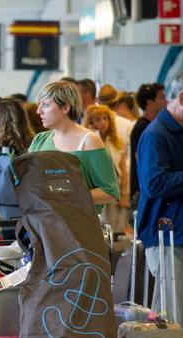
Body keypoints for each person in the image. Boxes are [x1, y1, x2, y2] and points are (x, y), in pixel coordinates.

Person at [29, 80, 119, 213]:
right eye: (39, 104)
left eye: (46, 105)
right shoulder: (40, 140)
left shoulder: (89, 141)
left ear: (65, 107)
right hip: (44, 225)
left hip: (79, 226)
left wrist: (64, 195)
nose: (38, 111)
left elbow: (110, 192)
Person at [136, 72, 183, 324]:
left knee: (168, 312)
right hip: (166, 236)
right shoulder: (156, 134)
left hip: (178, 234)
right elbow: (154, 184)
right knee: (171, 315)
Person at [85, 104, 130, 234]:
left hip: (115, 186)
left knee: (115, 226)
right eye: (98, 119)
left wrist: (125, 194)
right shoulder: (87, 141)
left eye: (105, 118)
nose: (103, 122)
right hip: (96, 187)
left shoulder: (116, 141)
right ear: (91, 122)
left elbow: (124, 170)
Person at [131, 83, 166, 205]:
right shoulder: (143, 128)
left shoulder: (153, 127)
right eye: (161, 98)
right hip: (143, 191)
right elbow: (141, 160)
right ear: (150, 102)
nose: (166, 101)